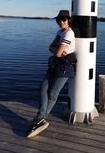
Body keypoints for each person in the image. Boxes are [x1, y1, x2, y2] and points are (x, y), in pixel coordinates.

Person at [27, 10, 76, 138]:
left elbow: (58, 53)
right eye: (59, 20)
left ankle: (40, 118)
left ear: (68, 20)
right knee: (43, 88)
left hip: (65, 67)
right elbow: (51, 47)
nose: (61, 22)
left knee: (53, 94)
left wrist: (57, 50)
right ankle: (41, 118)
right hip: (55, 65)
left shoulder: (69, 34)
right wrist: (57, 50)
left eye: (64, 20)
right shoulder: (60, 32)